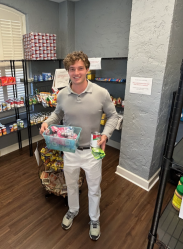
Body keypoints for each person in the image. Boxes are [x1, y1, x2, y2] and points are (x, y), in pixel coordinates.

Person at [40, 51, 119, 241]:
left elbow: (113, 116)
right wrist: (47, 122)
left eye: (80, 68)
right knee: (71, 185)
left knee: (93, 188)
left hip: (93, 149)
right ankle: (73, 210)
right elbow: (57, 114)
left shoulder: (101, 93)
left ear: (87, 70)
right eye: (72, 69)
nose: (76, 73)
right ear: (68, 71)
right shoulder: (62, 94)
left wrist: (106, 135)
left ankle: (94, 219)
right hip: (70, 149)